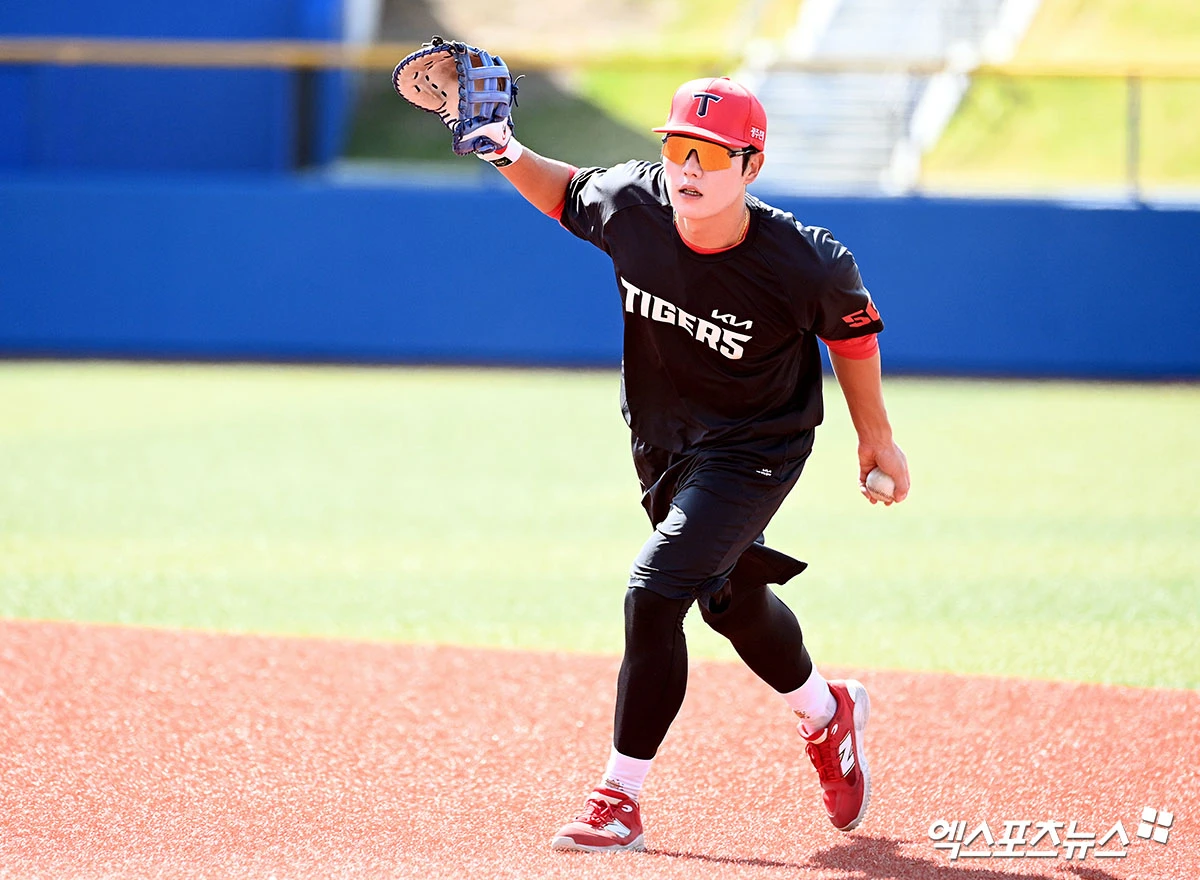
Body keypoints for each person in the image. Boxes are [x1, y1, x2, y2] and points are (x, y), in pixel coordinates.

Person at [467, 75, 910, 851]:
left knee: (654, 591)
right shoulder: (632, 207)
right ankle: (824, 712)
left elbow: (852, 334)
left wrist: (875, 436)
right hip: (664, 444)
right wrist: (502, 148)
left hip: (757, 449)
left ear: (751, 166)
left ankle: (618, 798)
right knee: (728, 601)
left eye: (710, 154)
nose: (689, 169)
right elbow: (566, 191)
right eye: (677, 148)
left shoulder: (804, 263)